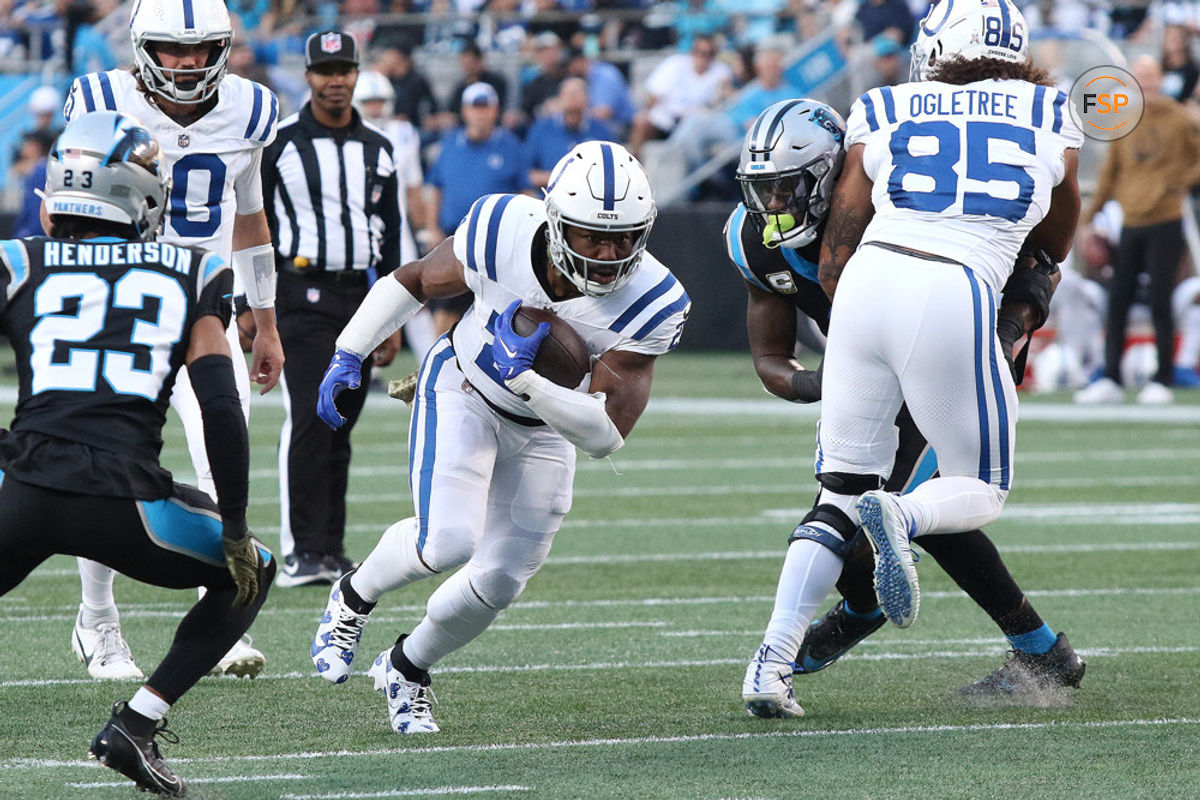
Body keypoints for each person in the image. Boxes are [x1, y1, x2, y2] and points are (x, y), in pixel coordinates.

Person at [743, 0, 1087, 714]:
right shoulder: (1051, 113)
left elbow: (839, 241)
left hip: (869, 285)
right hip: (954, 288)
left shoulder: (882, 105)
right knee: (975, 488)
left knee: (837, 492)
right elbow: (1054, 237)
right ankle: (898, 521)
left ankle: (770, 664)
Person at [308, 141, 689, 733]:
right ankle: (352, 598)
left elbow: (607, 434)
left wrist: (530, 381)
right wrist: (350, 350)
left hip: (548, 428)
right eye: (593, 236)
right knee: (450, 541)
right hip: (462, 388)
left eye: (625, 237)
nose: (612, 253)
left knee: (502, 578)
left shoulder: (651, 299)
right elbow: (415, 281)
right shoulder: (502, 227)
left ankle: (408, 668)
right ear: (556, 221)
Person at [0, 111, 273, 796]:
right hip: (126, 506)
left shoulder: (17, 260)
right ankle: (136, 725)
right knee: (254, 571)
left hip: (21, 488)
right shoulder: (192, 269)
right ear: (139, 193)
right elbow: (219, 408)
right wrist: (234, 526)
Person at [63, 0, 284, 679]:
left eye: (200, 48)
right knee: (107, 462)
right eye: (170, 49)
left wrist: (266, 319)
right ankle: (96, 622)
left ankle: (217, 618)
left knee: (225, 458)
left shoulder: (251, 110)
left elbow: (250, 218)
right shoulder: (98, 97)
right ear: (139, 47)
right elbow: (75, 210)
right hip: (125, 306)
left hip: (203, 311)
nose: (187, 64)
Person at [262, 31, 406, 586]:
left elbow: (389, 234)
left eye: (344, 69)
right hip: (301, 292)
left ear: (356, 73)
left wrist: (393, 313)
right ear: (308, 76)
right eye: (325, 70)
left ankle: (330, 546)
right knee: (310, 418)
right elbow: (258, 227)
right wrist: (257, 305)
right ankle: (302, 550)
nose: (335, 80)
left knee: (341, 422)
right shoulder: (280, 145)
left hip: (360, 296)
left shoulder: (379, 148)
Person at [1073, 55, 1200, 405]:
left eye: (1150, 74)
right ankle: (1111, 376)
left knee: (1161, 299)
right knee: (1118, 300)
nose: (1145, 81)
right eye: (1139, 75)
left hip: (1166, 217)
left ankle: (1163, 378)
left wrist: (1179, 183)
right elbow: (1110, 173)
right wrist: (1089, 219)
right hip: (1129, 219)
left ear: (1160, 79)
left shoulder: (1179, 119)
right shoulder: (1123, 119)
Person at [423, 81, 528, 333]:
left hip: (495, 243)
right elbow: (435, 187)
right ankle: (443, 367)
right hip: (454, 239)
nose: (480, 113)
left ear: (495, 110)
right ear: (465, 111)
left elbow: (525, 192)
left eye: (485, 107)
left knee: (497, 313)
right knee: (445, 313)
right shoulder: (449, 145)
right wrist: (431, 227)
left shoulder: (511, 146)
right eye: (475, 107)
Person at [627, 35, 733, 158]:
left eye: (708, 53)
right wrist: (647, 112)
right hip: (667, 120)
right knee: (641, 121)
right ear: (692, 52)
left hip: (694, 125)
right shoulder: (675, 64)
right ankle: (633, 164)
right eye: (698, 52)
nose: (702, 57)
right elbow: (654, 95)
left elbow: (724, 99)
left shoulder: (720, 71)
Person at [525, 77, 613, 188]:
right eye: (568, 93)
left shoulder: (601, 130)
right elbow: (529, 175)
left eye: (578, 93)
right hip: (550, 198)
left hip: (592, 198)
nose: (573, 98)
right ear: (559, 98)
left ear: (588, 98)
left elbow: (611, 172)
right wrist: (567, 179)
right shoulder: (541, 129)